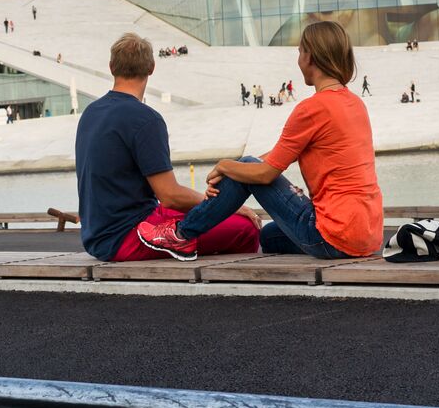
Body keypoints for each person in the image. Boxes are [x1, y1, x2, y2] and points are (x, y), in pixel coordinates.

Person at [136, 21, 383, 262]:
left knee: (246, 166)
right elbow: (275, 158)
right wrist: (233, 170)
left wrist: (225, 165)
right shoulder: (354, 104)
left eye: (300, 52)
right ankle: (186, 232)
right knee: (269, 236)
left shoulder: (313, 108)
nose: (298, 60)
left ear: (310, 57)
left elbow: (264, 174)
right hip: (367, 237)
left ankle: (181, 235)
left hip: (333, 236)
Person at [75, 33, 259, 262]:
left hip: (96, 236)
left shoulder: (90, 113)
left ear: (111, 67)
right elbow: (170, 196)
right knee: (245, 228)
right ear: (151, 67)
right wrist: (225, 206)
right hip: (128, 237)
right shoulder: (145, 119)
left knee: (214, 218)